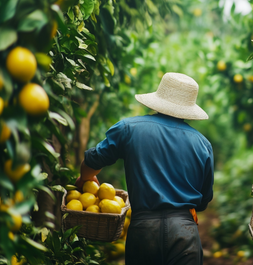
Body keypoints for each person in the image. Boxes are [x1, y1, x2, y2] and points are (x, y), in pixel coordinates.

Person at [75, 72, 214, 265]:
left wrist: (85, 179)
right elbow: (204, 199)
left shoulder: (129, 128)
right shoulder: (202, 144)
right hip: (184, 231)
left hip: (143, 230)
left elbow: (93, 160)